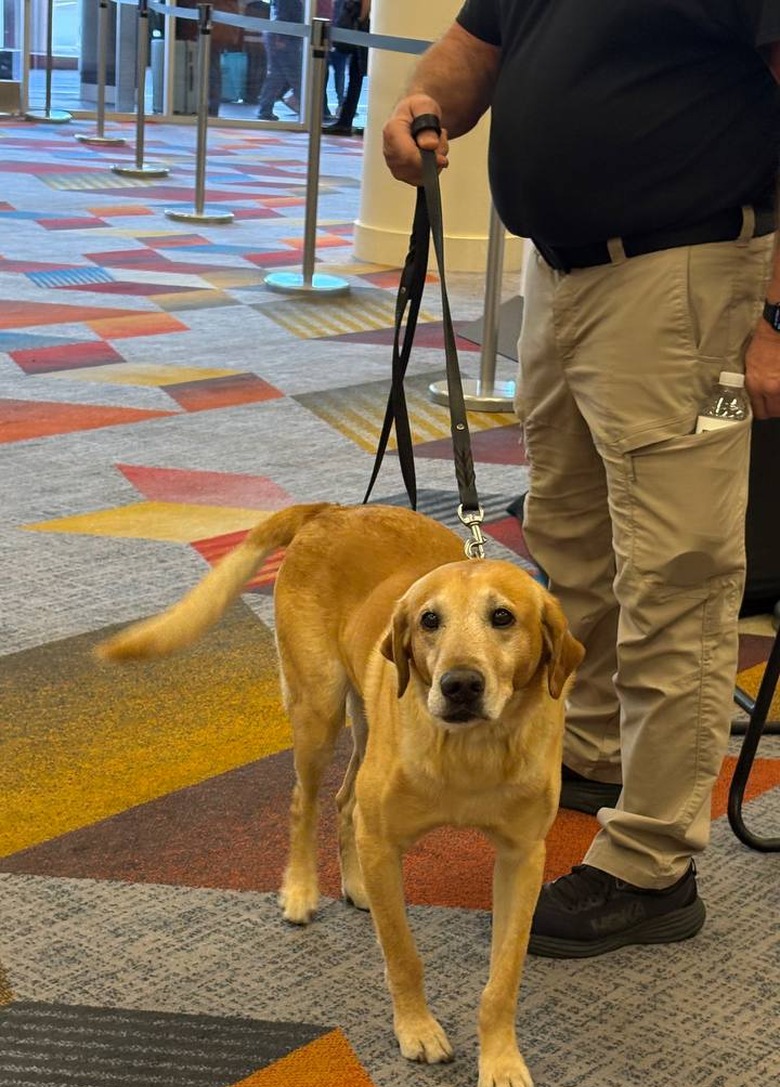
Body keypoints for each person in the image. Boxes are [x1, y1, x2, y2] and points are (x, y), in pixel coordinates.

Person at [383, 2, 780, 957]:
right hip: (558, 279)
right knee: (567, 536)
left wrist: (777, 313)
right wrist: (424, 100)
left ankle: (653, 862)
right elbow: (473, 48)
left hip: (684, 279)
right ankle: (598, 750)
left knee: (677, 571)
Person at [323, 0, 370, 136]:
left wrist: (361, 19)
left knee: (356, 76)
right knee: (355, 76)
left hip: (361, 29)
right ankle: (345, 120)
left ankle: (345, 122)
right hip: (360, 28)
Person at [257, 0, 304, 121]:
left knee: (276, 76)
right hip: (285, 38)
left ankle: (265, 109)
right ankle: (308, 110)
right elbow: (283, 15)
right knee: (296, 77)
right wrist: (281, 38)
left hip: (279, 37)